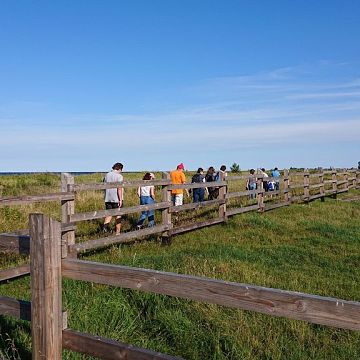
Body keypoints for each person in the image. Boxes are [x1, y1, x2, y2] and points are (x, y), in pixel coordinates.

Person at [103, 162, 124, 235]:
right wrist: (120, 200)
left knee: (109, 215)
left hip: (107, 198)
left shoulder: (107, 175)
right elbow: (119, 189)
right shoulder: (119, 176)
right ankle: (118, 233)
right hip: (116, 198)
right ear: (120, 168)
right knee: (118, 216)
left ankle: (104, 230)